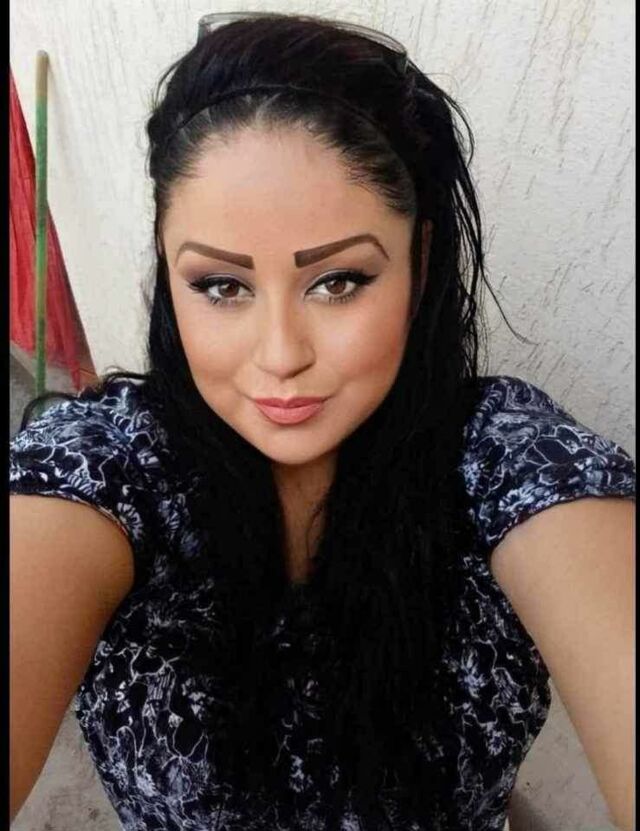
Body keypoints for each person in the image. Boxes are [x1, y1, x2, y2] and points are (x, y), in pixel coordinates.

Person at [9, 11, 635, 831]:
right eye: (222, 286)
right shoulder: (104, 466)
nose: (280, 355)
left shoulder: (503, 458)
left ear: (419, 263)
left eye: (338, 281)